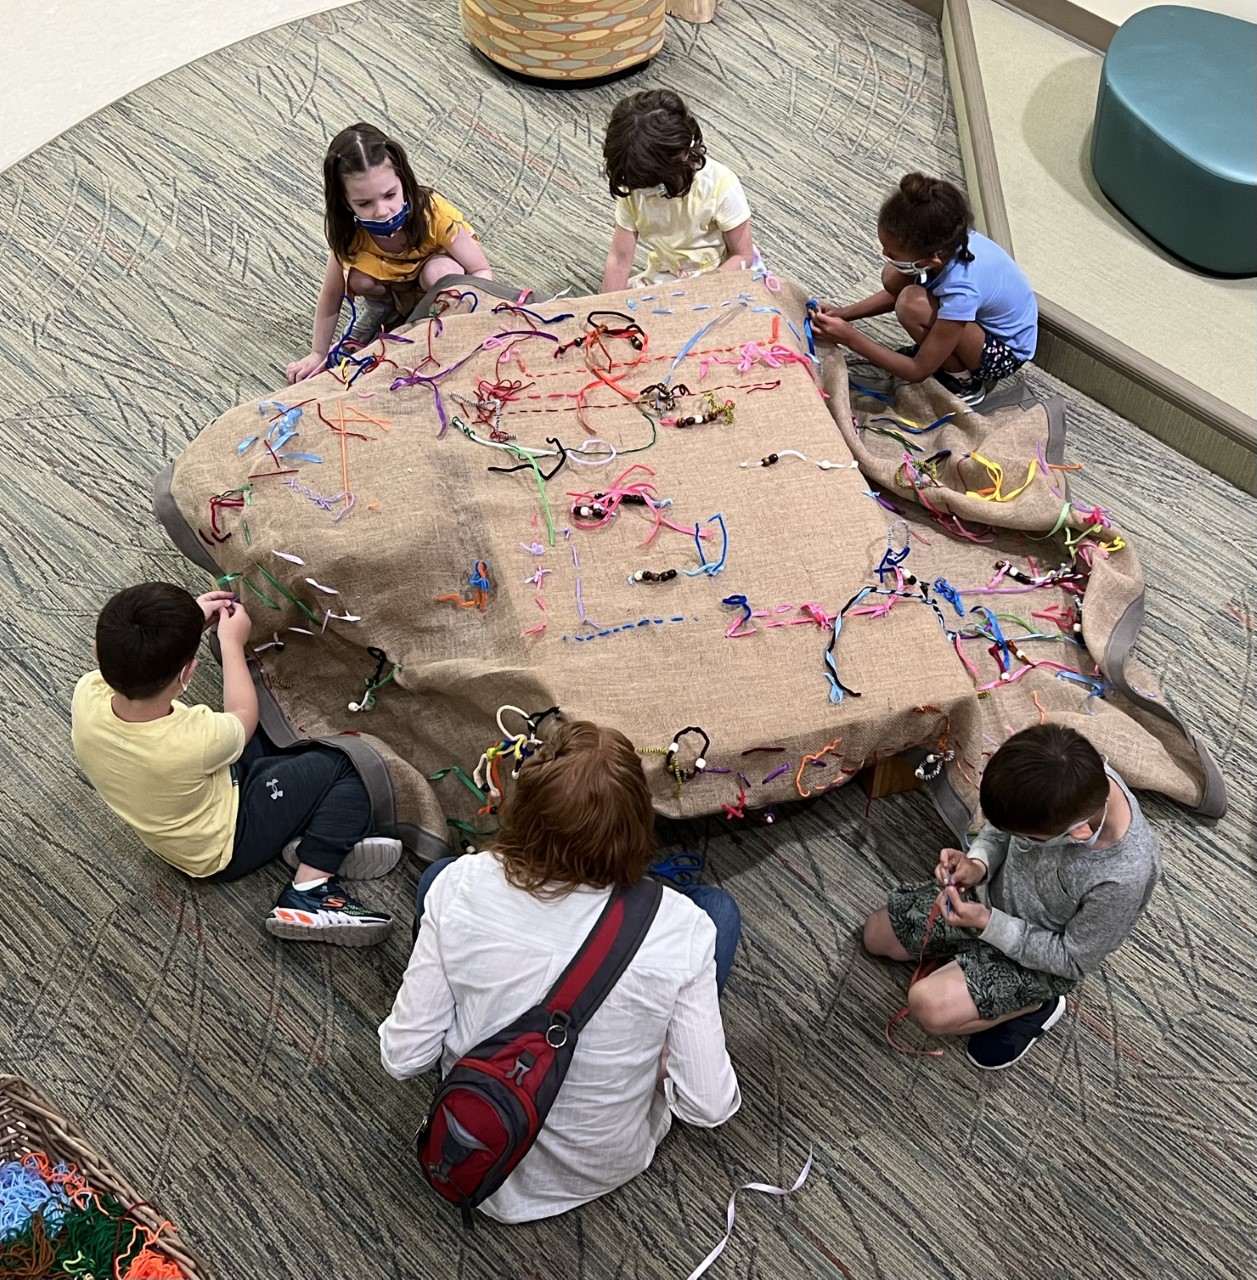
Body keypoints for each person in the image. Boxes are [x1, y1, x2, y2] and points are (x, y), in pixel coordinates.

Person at [378, 719, 741, 1222]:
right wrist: (656, 1062)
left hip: (475, 1142)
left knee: (435, 877)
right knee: (718, 911)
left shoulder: (462, 884)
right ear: (638, 823)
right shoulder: (681, 927)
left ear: (524, 808)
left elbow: (403, 1057)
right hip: (601, 1166)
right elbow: (709, 1107)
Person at [71, 582, 397, 944]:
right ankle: (311, 887)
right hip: (228, 842)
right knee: (351, 761)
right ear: (188, 674)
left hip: (184, 810)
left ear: (97, 651)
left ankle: (310, 835)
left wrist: (186, 624)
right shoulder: (196, 739)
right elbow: (243, 715)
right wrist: (231, 645)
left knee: (282, 742)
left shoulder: (88, 692)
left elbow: (138, 662)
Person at [862, 724, 1161, 1069]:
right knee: (876, 936)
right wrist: (978, 864)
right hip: (987, 901)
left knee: (927, 1005)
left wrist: (989, 924)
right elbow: (1000, 829)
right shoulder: (1061, 778)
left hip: (1039, 957)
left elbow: (1072, 959)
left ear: (1077, 833)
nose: (1019, 840)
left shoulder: (1124, 876)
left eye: (1028, 838)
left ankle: (1037, 1006)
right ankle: (968, 968)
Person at [287, 122, 493, 383]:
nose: (382, 211)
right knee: (358, 278)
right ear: (345, 203)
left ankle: (427, 321)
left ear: (404, 181)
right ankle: (382, 310)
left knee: (442, 272)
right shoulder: (348, 233)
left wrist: (475, 316)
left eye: (390, 195)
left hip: (433, 284)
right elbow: (330, 297)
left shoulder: (433, 213)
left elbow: (480, 270)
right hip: (393, 288)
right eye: (364, 203)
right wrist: (317, 353)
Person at [810, 172, 1037, 405]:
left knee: (911, 304)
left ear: (933, 260)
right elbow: (896, 289)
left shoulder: (962, 289)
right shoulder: (948, 238)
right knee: (894, 276)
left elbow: (916, 370)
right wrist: (844, 313)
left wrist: (849, 337)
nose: (884, 254)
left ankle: (963, 383)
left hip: (1004, 353)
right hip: (982, 321)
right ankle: (944, 353)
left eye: (893, 253)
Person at [600, 89, 759, 292]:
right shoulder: (634, 184)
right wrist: (606, 305)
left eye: (652, 186)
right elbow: (620, 259)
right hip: (668, 274)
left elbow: (743, 256)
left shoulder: (719, 184)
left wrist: (705, 284)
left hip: (721, 274)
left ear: (681, 159)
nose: (644, 193)